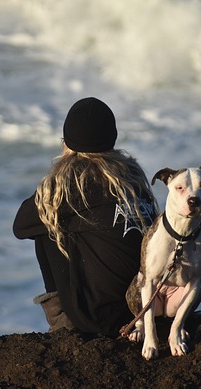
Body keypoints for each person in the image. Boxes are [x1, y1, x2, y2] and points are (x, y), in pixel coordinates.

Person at [13, 97, 158, 336]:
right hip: (144, 307)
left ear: (67, 141)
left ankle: (61, 320)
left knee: (47, 224)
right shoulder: (132, 178)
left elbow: (21, 225)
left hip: (101, 318)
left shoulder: (72, 183)